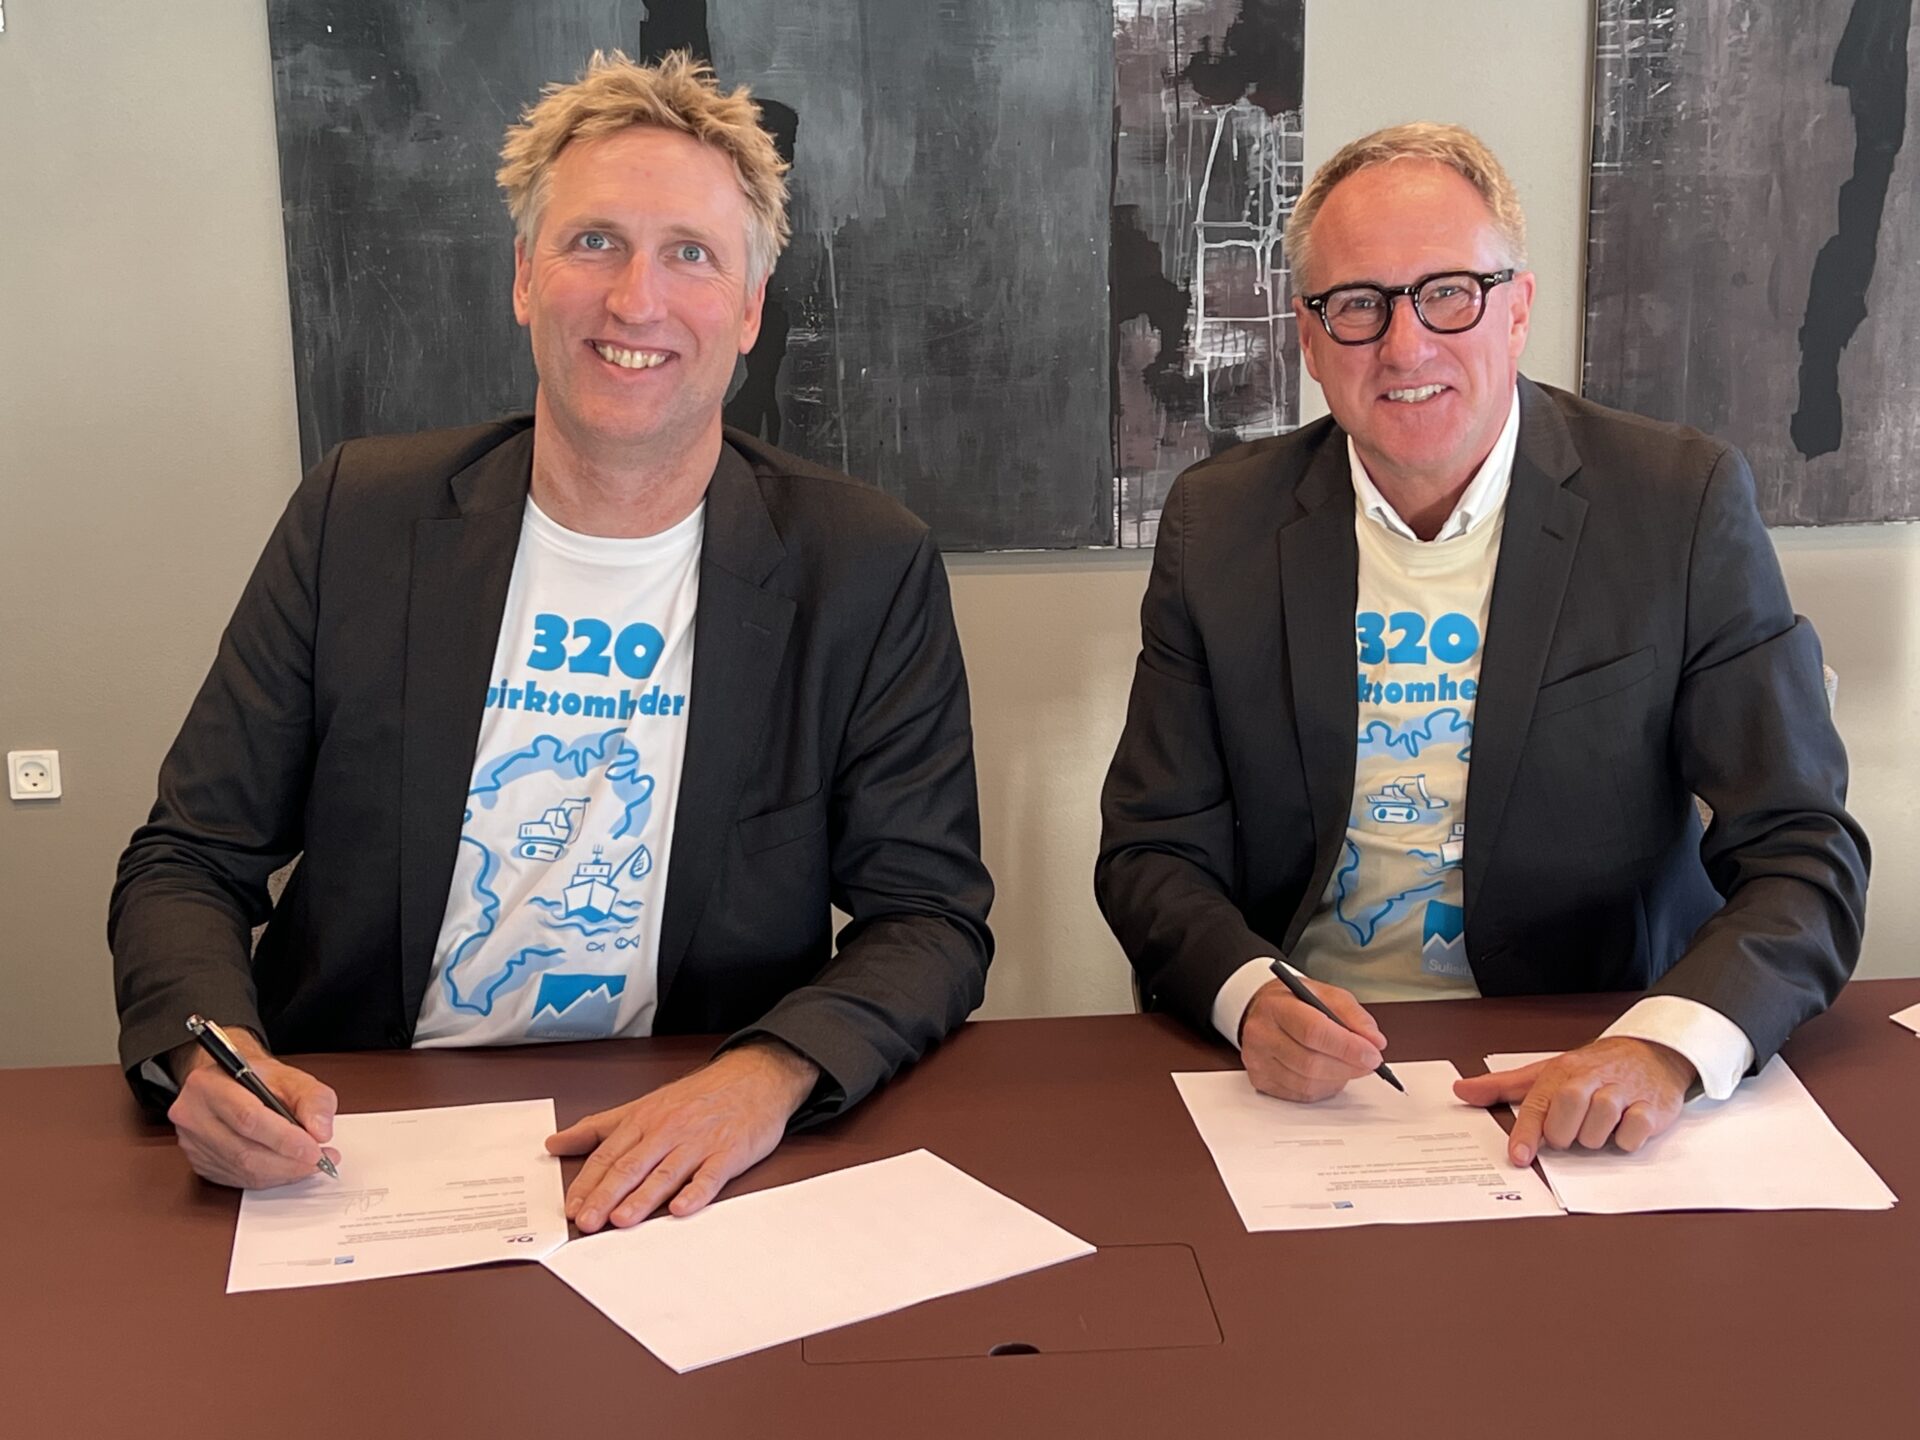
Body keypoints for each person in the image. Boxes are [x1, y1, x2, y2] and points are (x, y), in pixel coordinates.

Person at [110, 51, 992, 1231]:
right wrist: (209, 1053)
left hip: (691, 1141)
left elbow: (929, 917)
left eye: (691, 253)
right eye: (594, 242)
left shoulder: (864, 565)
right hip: (359, 1139)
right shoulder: (357, 518)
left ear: (748, 310)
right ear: (525, 277)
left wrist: (765, 1076)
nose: (636, 300)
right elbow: (188, 858)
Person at [1096, 123, 1867, 1166]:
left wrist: (1666, 1047)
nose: (1405, 347)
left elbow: (1803, 849)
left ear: (1517, 309)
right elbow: (1152, 849)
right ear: (1309, 339)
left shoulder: (1676, 504)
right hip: (1312, 1081)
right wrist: (1245, 997)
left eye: (1448, 293)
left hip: (1593, 1047)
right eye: (1358, 304)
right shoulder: (1218, 522)